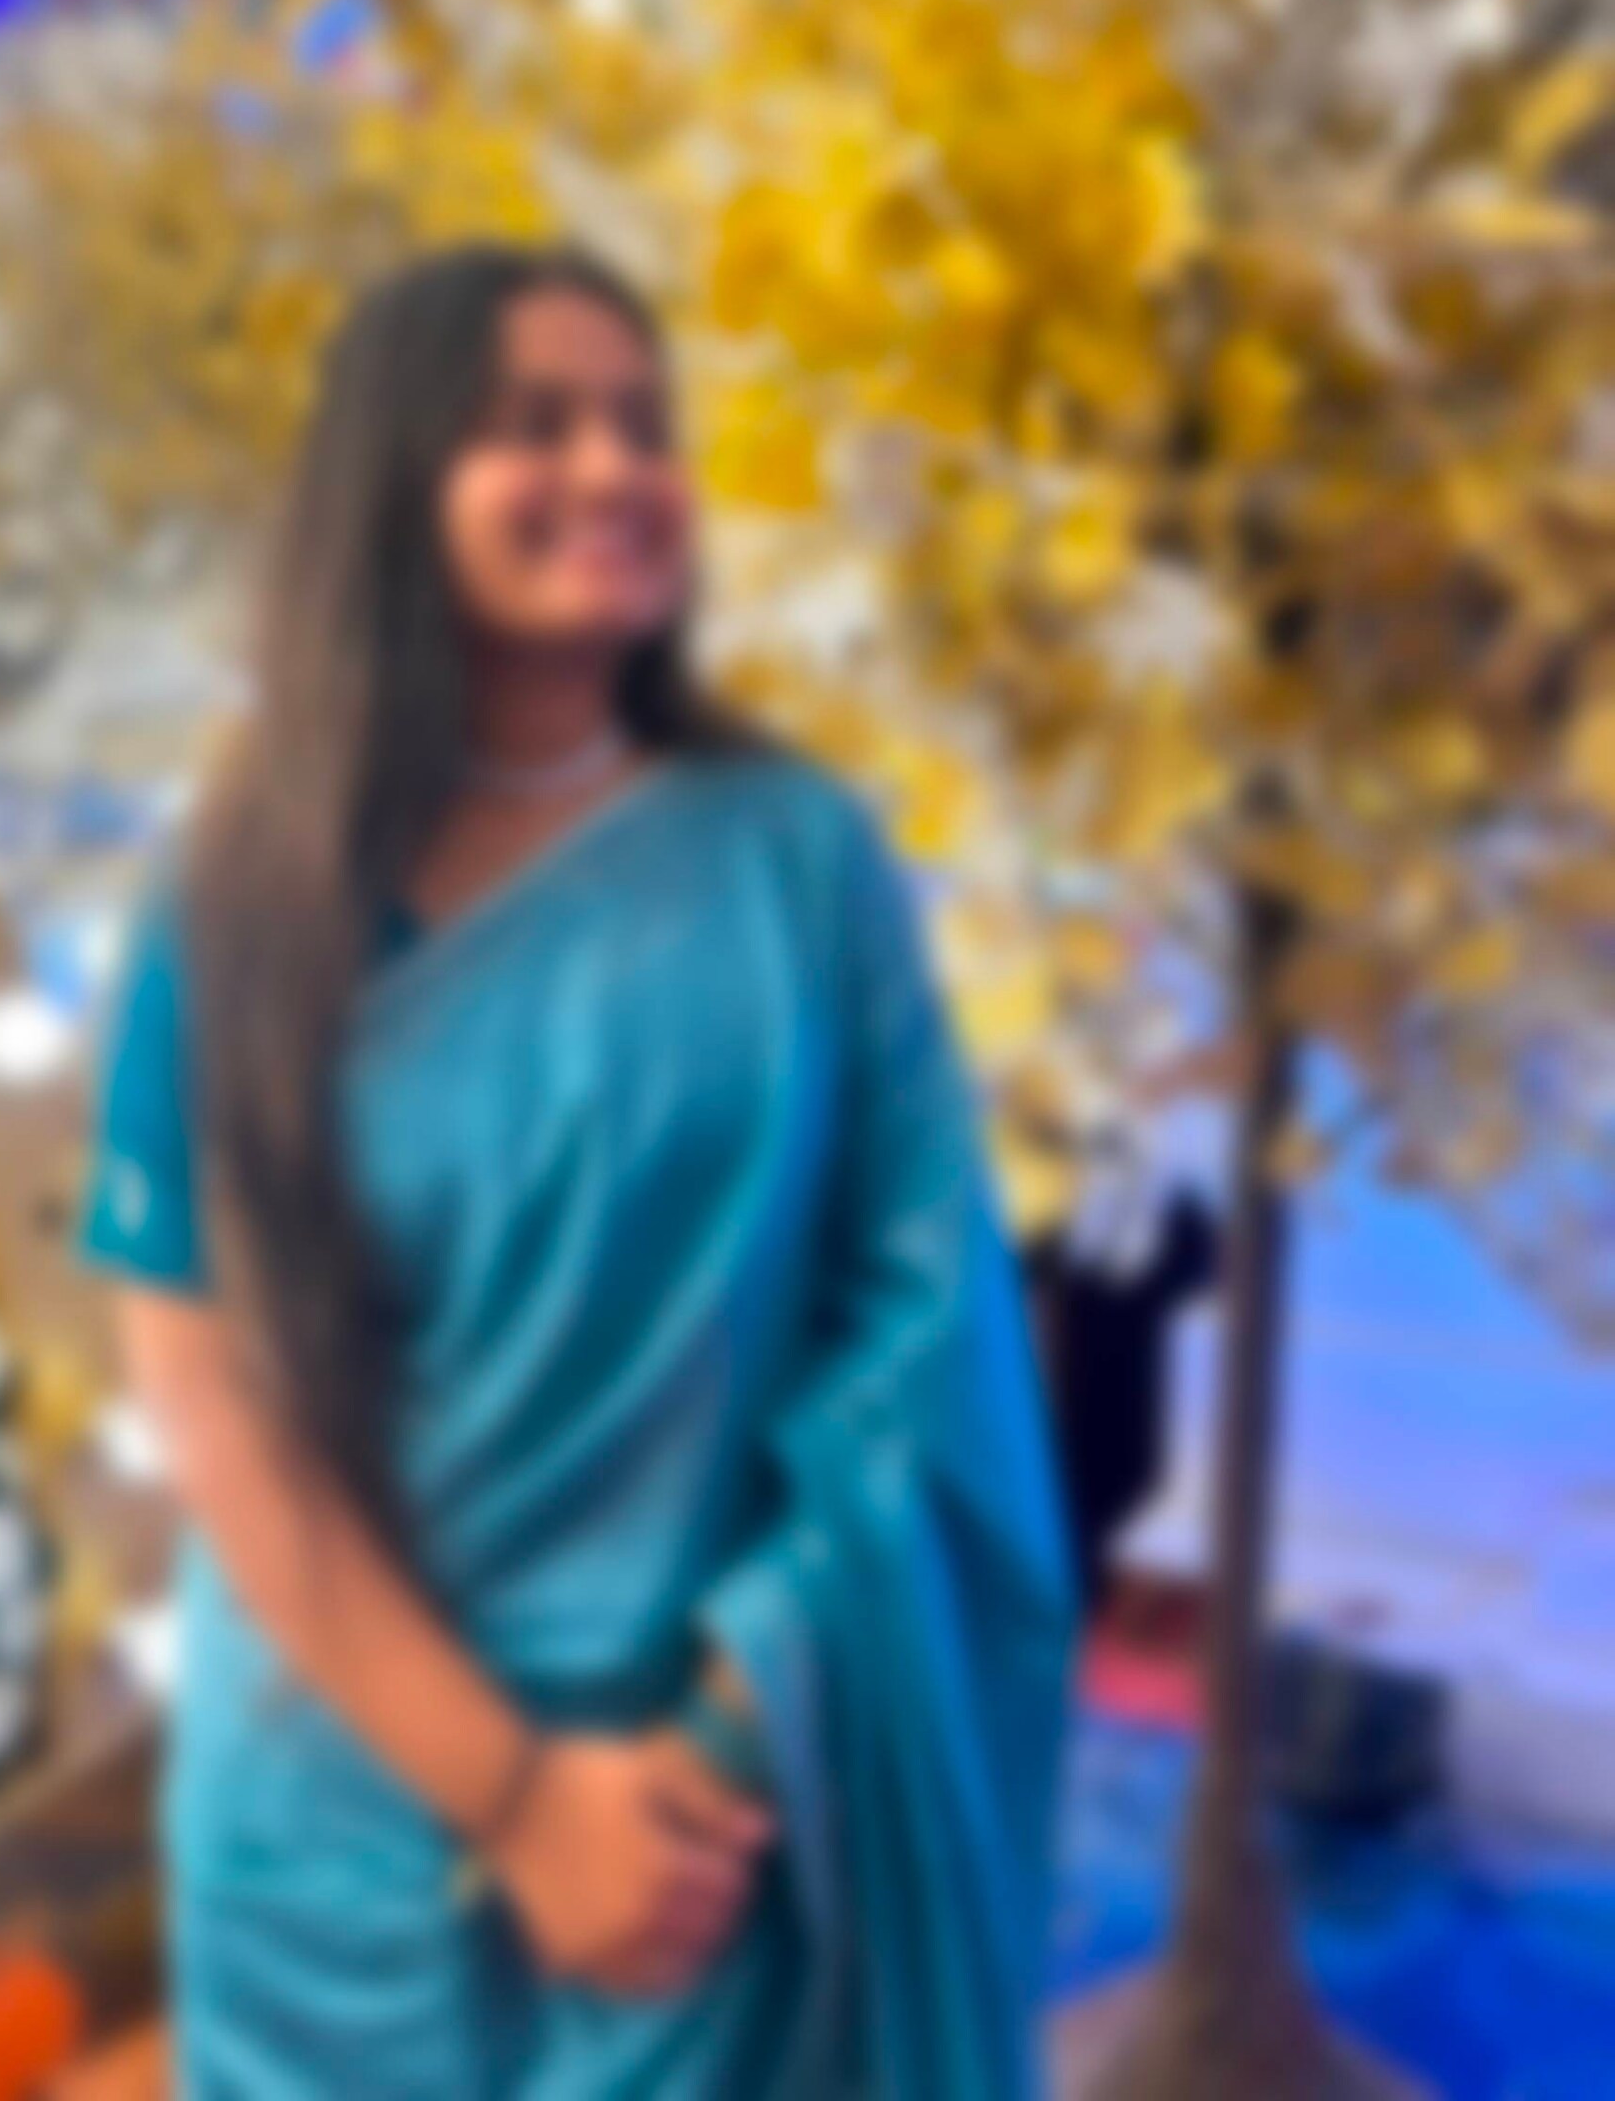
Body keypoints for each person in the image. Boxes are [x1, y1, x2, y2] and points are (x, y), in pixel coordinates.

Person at [78, 244, 1075, 2099]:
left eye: (643, 425)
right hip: (333, 1847)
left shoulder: (794, 861)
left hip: (699, 1830)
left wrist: (721, 1744)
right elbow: (206, 1397)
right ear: (392, 482)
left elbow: (919, 1335)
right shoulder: (229, 898)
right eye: (533, 426)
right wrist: (518, 1800)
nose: (614, 469)